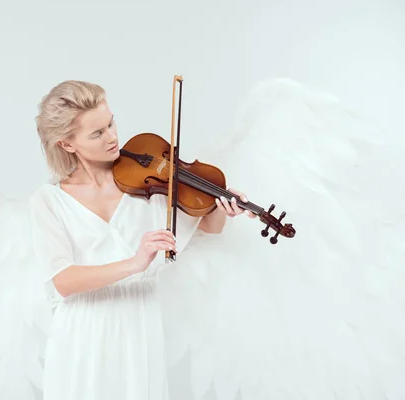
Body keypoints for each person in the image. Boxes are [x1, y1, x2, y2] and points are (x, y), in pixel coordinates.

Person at [29, 80, 255, 399]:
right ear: (67, 144)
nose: (113, 137)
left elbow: (208, 225)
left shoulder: (148, 183)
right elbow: (62, 281)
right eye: (97, 133)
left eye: (111, 123)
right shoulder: (48, 201)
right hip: (82, 336)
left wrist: (221, 206)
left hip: (138, 326)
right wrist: (134, 263)